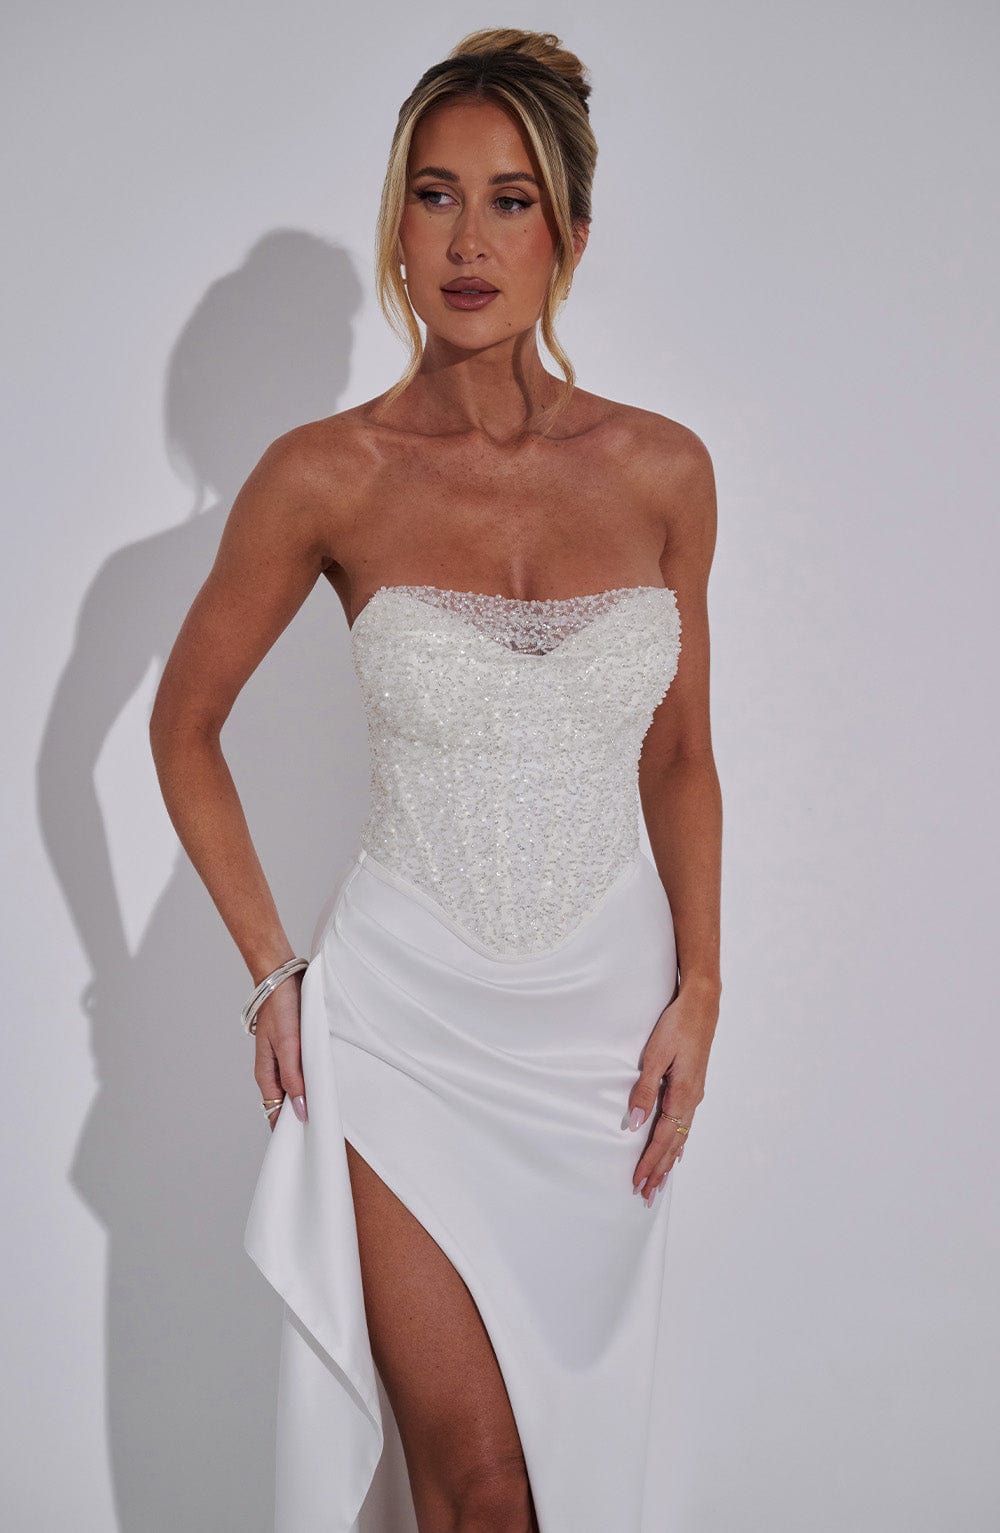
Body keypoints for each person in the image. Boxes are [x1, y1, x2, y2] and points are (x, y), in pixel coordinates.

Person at [150, 26, 722, 1533]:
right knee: (473, 1480)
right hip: (400, 1024)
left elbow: (679, 750)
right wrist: (271, 973)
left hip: (603, 1035)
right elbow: (184, 726)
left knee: (557, 1482)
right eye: (434, 194)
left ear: (569, 236)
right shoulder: (325, 475)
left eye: (511, 201)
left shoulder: (664, 471)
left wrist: (703, 990)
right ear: (396, 223)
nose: (468, 241)